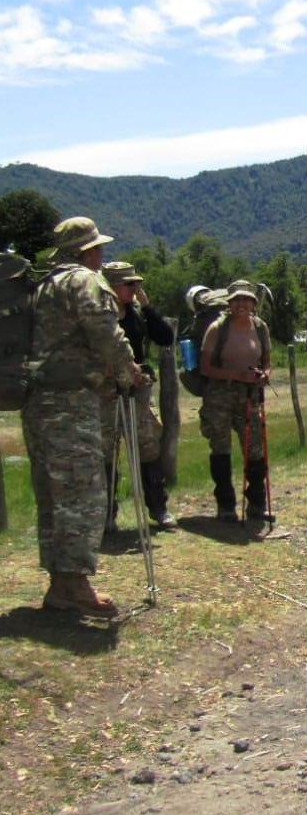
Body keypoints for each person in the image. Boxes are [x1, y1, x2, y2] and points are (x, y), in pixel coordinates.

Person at [23, 217, 144, 618]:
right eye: (98, 248)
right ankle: (74, 586)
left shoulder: (41, 286)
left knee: (53, 495)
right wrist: (130, 372)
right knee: (81, 492)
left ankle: (61, 582)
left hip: (38, 400)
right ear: (88, 250)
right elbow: (105, 334)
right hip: (72, 402)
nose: (101, 254)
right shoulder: (84, 282)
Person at [99, 261, 177, 532]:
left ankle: (158, 507)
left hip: (138, 388)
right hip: (106, 390)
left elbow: (165, 337)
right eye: (128, 284)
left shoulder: (136, 314)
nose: (133, 289)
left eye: (136, 284)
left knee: (147, 446)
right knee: (106, 450)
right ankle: (107, 514)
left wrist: (147, 306)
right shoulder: (100, 314)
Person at [198, 280, 273, 527]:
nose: (242, 304)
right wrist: (236, 375)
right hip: (219, 397)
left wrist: (264, 375)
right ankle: (226, 504)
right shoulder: (217, 329)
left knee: (255, 451)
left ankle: (256, 503)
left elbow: (267, 361)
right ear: (229, 303)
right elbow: (205, 367)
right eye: (237, 300)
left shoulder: (260, 327)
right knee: (221, 449)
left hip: (250, 397)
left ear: (253, 302)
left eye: (247, 299)